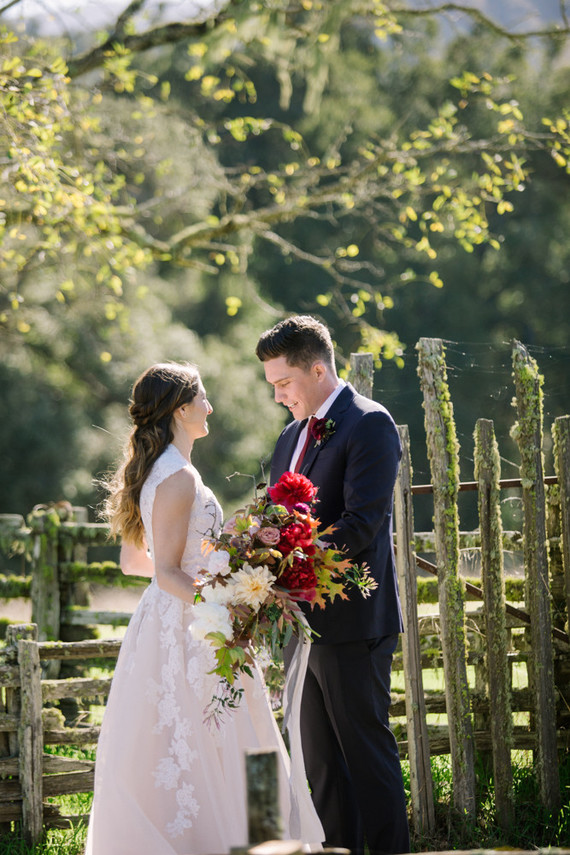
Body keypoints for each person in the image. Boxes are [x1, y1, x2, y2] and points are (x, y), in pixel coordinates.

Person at [85, 362, 324, 855]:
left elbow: (136, 563)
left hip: (171, 622)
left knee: (208, 738)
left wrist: (220, 565)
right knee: (238, 733)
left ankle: (253, 837)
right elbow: (168, 570)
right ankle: (257, 841)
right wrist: (227, 599)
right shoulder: (178, 478)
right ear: (181, 408)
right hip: (197, 626)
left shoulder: (159, 472)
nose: (210, 407)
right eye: (204, 398)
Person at [256, 316, 410, 855]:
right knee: (321, 764)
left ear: (318, 369)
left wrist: (281, 565)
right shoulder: (289, 438)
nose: (278, 396)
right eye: (273, 385)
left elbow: (361, 526)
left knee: (365, 757)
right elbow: (273, 518)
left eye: (284, 383)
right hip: (303, 626)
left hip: (352, 622)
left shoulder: (369, 423)